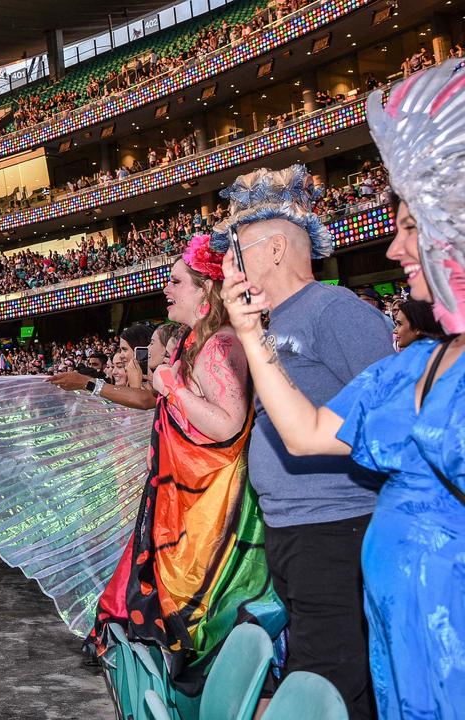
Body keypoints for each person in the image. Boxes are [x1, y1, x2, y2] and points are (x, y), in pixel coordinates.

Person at [221, 64, 465, 719]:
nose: (393, 248)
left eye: (412, 228)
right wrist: (249, 336)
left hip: (390, 581)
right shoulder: (417, 368)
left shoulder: (333, 311)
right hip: (400, 639)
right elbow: (307, 430)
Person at [208, 165, 389, 719]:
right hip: (289, 528)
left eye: (236, 250)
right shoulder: (264, 325)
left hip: (336, 527)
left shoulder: (336, 312)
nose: (227, 265)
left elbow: (386, 423)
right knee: (312, 672)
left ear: (278, 249)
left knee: (330, 681)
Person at [89, 234, 285, 701]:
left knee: (195, 617)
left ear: (205, 291)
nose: (167, 290)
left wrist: (171, 386)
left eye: (176, 281)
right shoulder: (199, 343)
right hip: (189, 503)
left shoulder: (218, 346)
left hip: (211, 510)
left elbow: (226, 424)